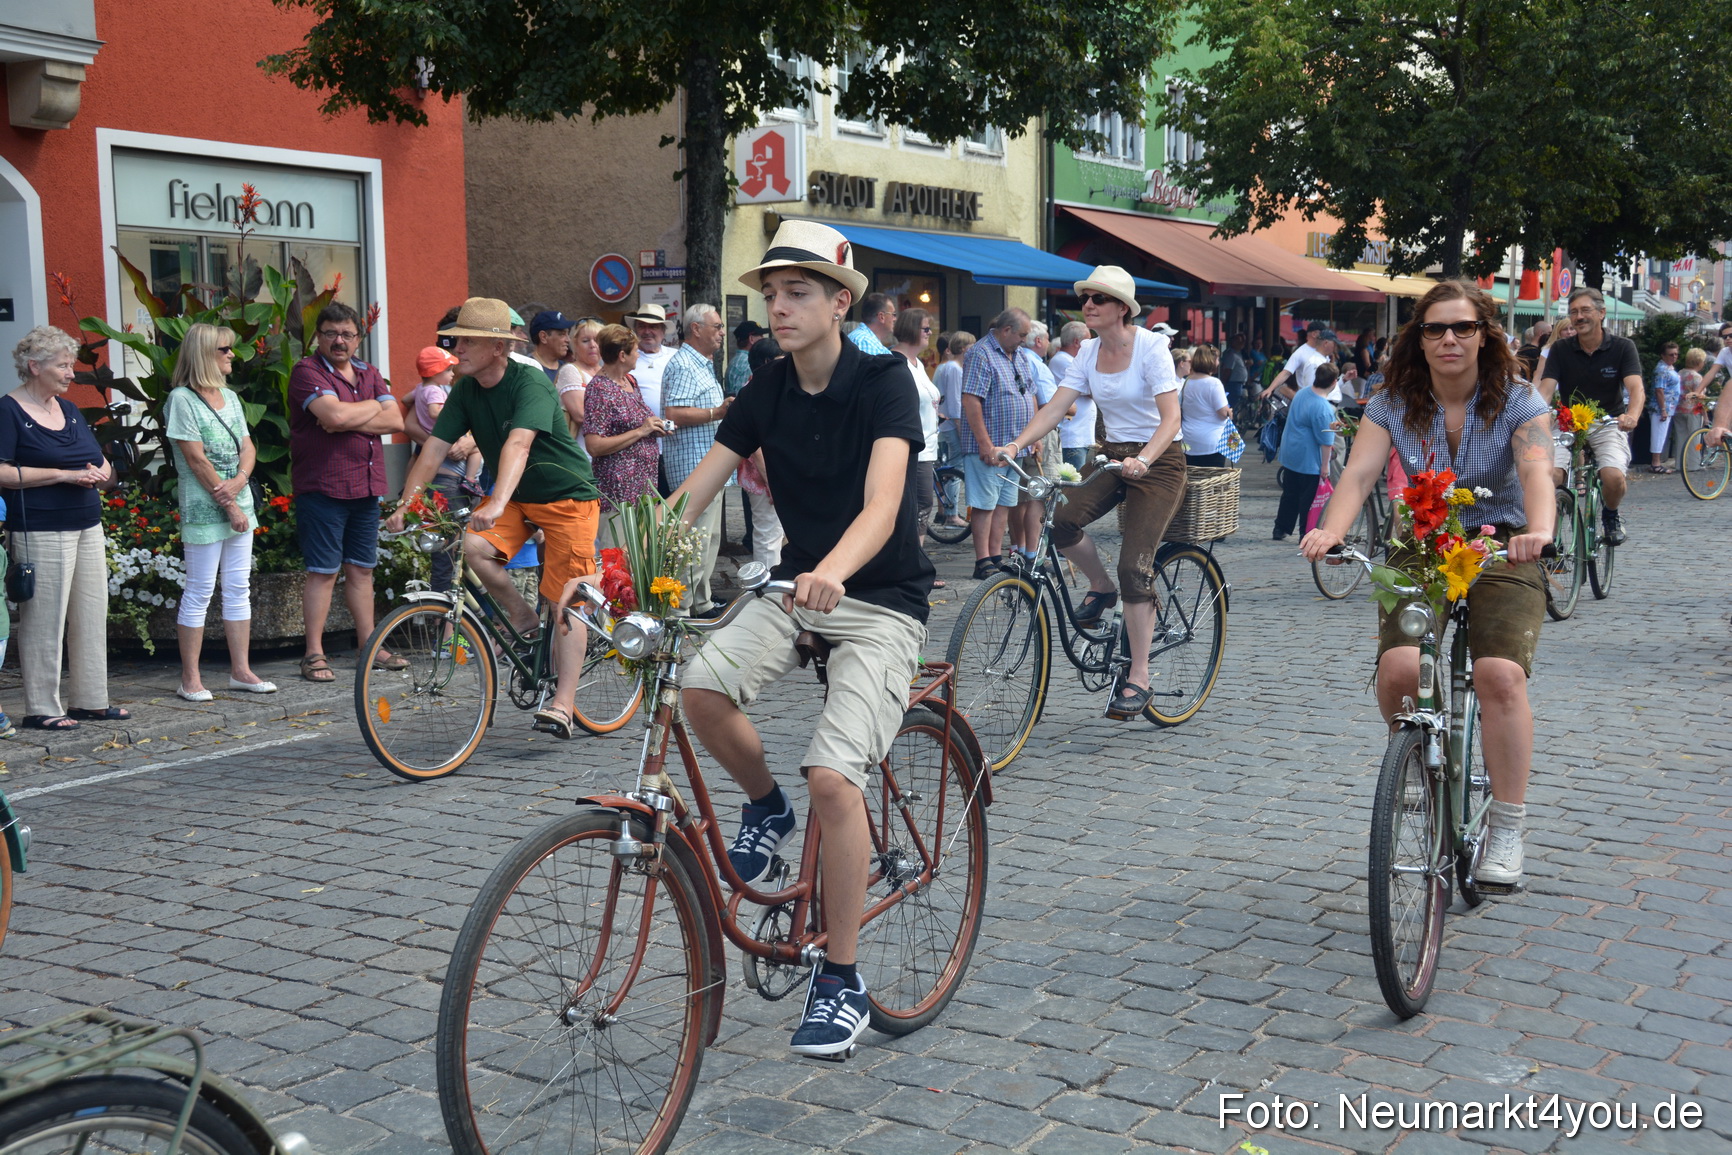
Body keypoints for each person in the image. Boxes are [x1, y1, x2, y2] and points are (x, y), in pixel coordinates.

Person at [645, 219, 933, 1057]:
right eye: (770, 293)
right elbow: (692, 494)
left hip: (878, 600)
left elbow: (885, 507)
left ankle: (841, 977)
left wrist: (834, 570)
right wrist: (620, 565)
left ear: (840, 302)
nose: (777, 306)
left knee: (835, 776)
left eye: (797, 291)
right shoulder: (766, 386)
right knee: (699, 683)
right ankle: (767, 808)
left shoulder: (884, 382)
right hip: (798, 591)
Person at [1302, 280, 1555, 887]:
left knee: (1499, 675)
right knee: (1400, 670)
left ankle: (1509, 830)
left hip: (1503, 545)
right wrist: (1331, 532)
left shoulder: (1520, 400)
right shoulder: (1392, 401)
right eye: (1435, 328)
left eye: (1462, 328)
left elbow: (1537, 469)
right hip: (1422, 545)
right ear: (1417, 338)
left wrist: (1538, 532)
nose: (1448, 339)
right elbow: (1360, 474)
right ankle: (1415, 757)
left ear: (1484, 335)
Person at [387, 297, 603, 739]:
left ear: (498, 348)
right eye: (456, 339)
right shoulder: (466, 388)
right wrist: (406, 502)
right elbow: (433, 447)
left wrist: (497, 503)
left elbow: (518, 446)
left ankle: (562, 703)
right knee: (472, 548)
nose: (456, 349)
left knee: (568, 599)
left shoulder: (531, 383)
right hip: (517, 498)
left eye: (468, 341)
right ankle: (523, 618)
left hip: (566, 497)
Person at [999, 265, 1186, 721]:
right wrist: (1016, 444)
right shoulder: (1087, 353)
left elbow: (1171, 419)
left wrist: (1144, 457)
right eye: (1086, 298)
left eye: (1098, 299)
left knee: (1134, 565)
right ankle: (1099, 588)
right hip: (1111, 458)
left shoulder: (1151, 348)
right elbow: (1058, 405)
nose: (1088, 305)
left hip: (1158, 463)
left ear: (1122, 308)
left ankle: (1138, 676)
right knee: (1058, 518)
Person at [0, 326, 128, 731]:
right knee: (44, 619)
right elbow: (1, 470)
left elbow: (97, 460)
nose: (71, 373)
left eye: (71, 364)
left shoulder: (68, 410)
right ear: (34, 367)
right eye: (62, 365)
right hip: (40, 526)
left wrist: (103, 471)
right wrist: (61, 475)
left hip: (87, 523)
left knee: (91, 613)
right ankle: (41, 707)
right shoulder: (8, 411)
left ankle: (90, 700)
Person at [287, 303, 404, 684]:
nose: (339, 341)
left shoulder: (369, 372)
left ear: (358, 337)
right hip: (324, 487)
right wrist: (369, 408)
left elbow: (395, 419)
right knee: (323, 572)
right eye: (330, 333)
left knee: (362, 571)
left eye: (347, 334)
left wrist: (348, 413)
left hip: (365, 487)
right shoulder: (306, 371)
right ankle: (314, 654)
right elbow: (332, 417)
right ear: (318, 336)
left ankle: (368, 647)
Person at [164, 322, 275, 701]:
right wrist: (228, 503)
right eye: (224, 349)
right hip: (205, 509)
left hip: (237, 503)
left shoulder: (229, 397)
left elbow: (248, 446)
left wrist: (240, 480)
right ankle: (190, 678)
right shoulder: (181, 399)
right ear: (205, 355)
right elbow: (195, 459)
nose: (231, 355)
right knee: (198, 591)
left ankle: (240, 670)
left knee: (238, 588)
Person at [1537, 287, 1640, 545]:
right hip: (1567, 422)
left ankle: (1610, 514)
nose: (1578, 317)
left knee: (1613, 477)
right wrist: (1535, 417)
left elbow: (1636, 387)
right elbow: (1546, 390)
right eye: (1573, 312)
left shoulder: (1623, 347)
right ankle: (1550, 531)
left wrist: (1632, 415)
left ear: (1602, 313)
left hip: (1608, 422)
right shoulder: (1560, 349)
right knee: (1551, 475)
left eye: (1585, 310)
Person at [956, 309, 1040, 579]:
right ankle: (982, 561)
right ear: (1006, 331)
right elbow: (971, 400)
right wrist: (984, 443)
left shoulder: (1019, 355)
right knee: (985, 506)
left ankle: (995, 556)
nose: (1024, 341)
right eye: (1022, 335)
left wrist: (1034, 437)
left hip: (1014, 446)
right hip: (991, 446)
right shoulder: (981, 353)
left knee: (1004, 505)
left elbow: (1031, 393)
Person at [661, 304, 731, 615]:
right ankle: (681, 608)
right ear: (696, 329)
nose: (722, 332)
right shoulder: (683, 365)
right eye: (716, 326)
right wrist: (718, 412)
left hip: (707, 464)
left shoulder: (700, 362)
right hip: (693, 467)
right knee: (693, 541)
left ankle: (700, 603)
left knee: (707, 539)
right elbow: (673, 413)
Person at [582, 325, 666, 540]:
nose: (638, 355)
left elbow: (637, 422)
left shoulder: (630, 381)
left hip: (643, 488)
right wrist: (641, 431)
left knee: (643, 557)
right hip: (618, 492)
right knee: (620, 558)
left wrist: (654, 428)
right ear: (622, 355)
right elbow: (594, 445)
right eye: (635, 350)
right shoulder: (599, 389)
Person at [891, 307, 941, 558]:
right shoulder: (896, 362)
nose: (930, 333)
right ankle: (912, 563)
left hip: (928, 446)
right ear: (911, 329)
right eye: (925, 328)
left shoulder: (918, 363)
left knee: (922, 506)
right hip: (913, 450)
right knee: (919, 506)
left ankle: (914, 562)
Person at [1274, 363, 1339, 540]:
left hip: (1291, 453)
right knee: (1308, 500)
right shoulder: (1324, 408)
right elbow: (1326, 441)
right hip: (1309, 460)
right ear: (1334, 382)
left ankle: (1280, 527)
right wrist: (1325, 466)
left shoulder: (1302, 393)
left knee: (1289, 494)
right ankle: (1306, 532)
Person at [735, 337, 784, 571]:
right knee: (768, 536)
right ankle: (766, 594)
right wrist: (772, 481)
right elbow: (756, 446)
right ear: (766, 362)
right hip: (764, 478)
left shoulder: (764, 388)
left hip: (771, 475)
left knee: (775, 535)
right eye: (781, 359)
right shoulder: (755, 391)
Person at [1053, 321, 1097, 471]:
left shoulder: (1072, 360)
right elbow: (1094, 389)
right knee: (1073, 486)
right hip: (1072, 437)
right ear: (1077, 342)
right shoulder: (1063, 361)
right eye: (1088, 340)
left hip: (1079, 435)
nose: (1091, 344)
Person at [1181, 344, 1233, 468]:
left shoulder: (1186, 382)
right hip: (1211, 442)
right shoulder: (1214, 383)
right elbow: (1223, 413)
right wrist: (1230, 412)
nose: (1219, 362)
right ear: (1211, 361)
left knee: (1192, 482)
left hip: (1188, 441)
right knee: (1212, 482)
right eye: (1217, 359)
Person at [621, 304, 676, 417]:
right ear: (635, 330)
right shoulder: (624, 357)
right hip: (636, 431)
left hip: (672, 430)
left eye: (653, 327)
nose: (647, 331)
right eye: (642, 326)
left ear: (663, 331)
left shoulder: (675, 357)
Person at [1262, 322, 1339, 403]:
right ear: (1314, 334)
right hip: (1309, 399)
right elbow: (1286, 373)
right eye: (1322, 333)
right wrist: (1270, 389)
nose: (1325, 336)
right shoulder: (1300, 353)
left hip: (1324, 398)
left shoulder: (1323, 351)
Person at [553, 318, 603, 440]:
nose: (592, 345)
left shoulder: (606, 371)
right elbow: (581, 415)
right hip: (582, 451)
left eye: (597, 340)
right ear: (575, 345)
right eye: (585, 341)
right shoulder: (570, 370)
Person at [1647, 342, 1681, 473]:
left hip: (1669, 406)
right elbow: (1659, 390)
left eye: (1676, 354)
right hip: (1661, 407)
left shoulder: (1668, 367)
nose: (1674, 357)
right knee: (1658, 434)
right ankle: (1655, 463)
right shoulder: (1661, 370)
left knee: (1662, 434)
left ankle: (1657, 462)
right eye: (1671, 354)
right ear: (1663, 355)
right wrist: (1663, 409)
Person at [1674, 347, 1708, 462]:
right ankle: (1694, 463)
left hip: (1679, 409)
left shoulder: (1680, 373)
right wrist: (1706, 416)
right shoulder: (1697, 377)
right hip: (1693, 411)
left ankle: (1680, 463)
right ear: (1699, 362)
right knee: (1695, 439)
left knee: (1680, 438)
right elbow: (1700, 399)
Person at [527, 310, 574, 382]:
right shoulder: (527, 368)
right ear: (543, 337)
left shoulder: (568, 369)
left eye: (568, 334)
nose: (568, 340)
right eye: (562, 334)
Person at [847, 292, 896, 356]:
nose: (895, 319)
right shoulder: (865, 342)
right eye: (893, 314)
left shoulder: (866, 341)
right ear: (881, 317)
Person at [728, 319, 765, 396]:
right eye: (760, 335)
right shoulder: (747, 363)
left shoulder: (737, 360)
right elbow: (744, 396)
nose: (763, 338)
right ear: (751, 339)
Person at [1220, 332, 1251, 411]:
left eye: (1243, 341)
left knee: (1238, 406)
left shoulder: (1239, 354)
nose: (1241, 343)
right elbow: (1227, 370)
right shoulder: (1231, 355)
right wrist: (1224, 383)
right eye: (1239, 341)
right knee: (1233, 405)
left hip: (1239, 384)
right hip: (1233, 384)